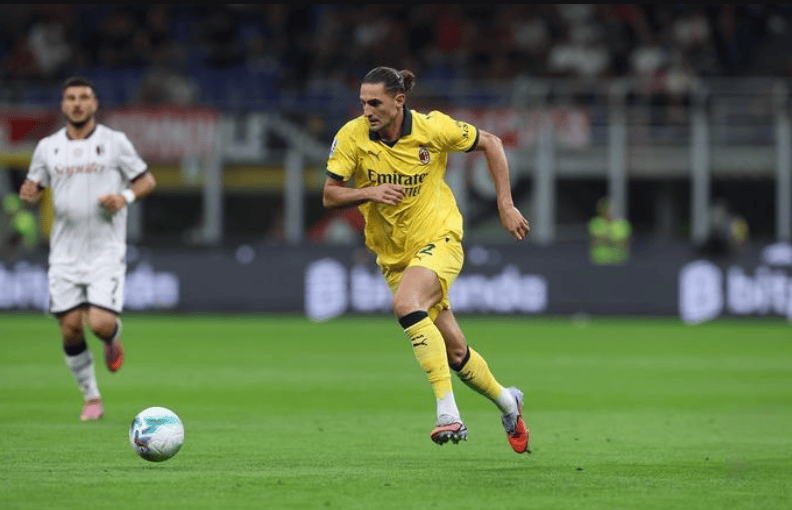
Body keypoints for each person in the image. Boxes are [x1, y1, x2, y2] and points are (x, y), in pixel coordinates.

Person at [322, 66, 531, 453]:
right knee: (456, 353)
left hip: (440, 238)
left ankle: (448, 413)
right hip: (394, 257)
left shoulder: (432, 128)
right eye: (363, 102)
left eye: (375, 103)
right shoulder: (351, 136)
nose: (367, 110)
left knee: (406, 304)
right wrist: (369, 192)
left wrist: (505, 205)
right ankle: (508, 403)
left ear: (399, 101)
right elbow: (330, 194)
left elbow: (492, 143)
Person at [19, 76, 156, 421]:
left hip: (104, 250)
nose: (77, 103)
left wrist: (124, 197)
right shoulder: (47, 147)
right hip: (64, 253)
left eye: (84, 97)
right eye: (71, 98)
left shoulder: (114, 142)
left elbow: (146, 179)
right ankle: (92, 397)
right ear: (63, 105)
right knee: (69, 328)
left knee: (100, 323)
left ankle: (112, 339)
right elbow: (34, 184)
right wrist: (29, 192)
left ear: (94, 104)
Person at [588, 197, 631, 265]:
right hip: (599, 260)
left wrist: (604, 238)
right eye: (605, 208)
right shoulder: (595, 222)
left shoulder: (622, 223)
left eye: (610, 209)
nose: (608, 211)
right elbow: (594, 239)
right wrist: (614, 239)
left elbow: (624, 242)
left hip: (618, 260)